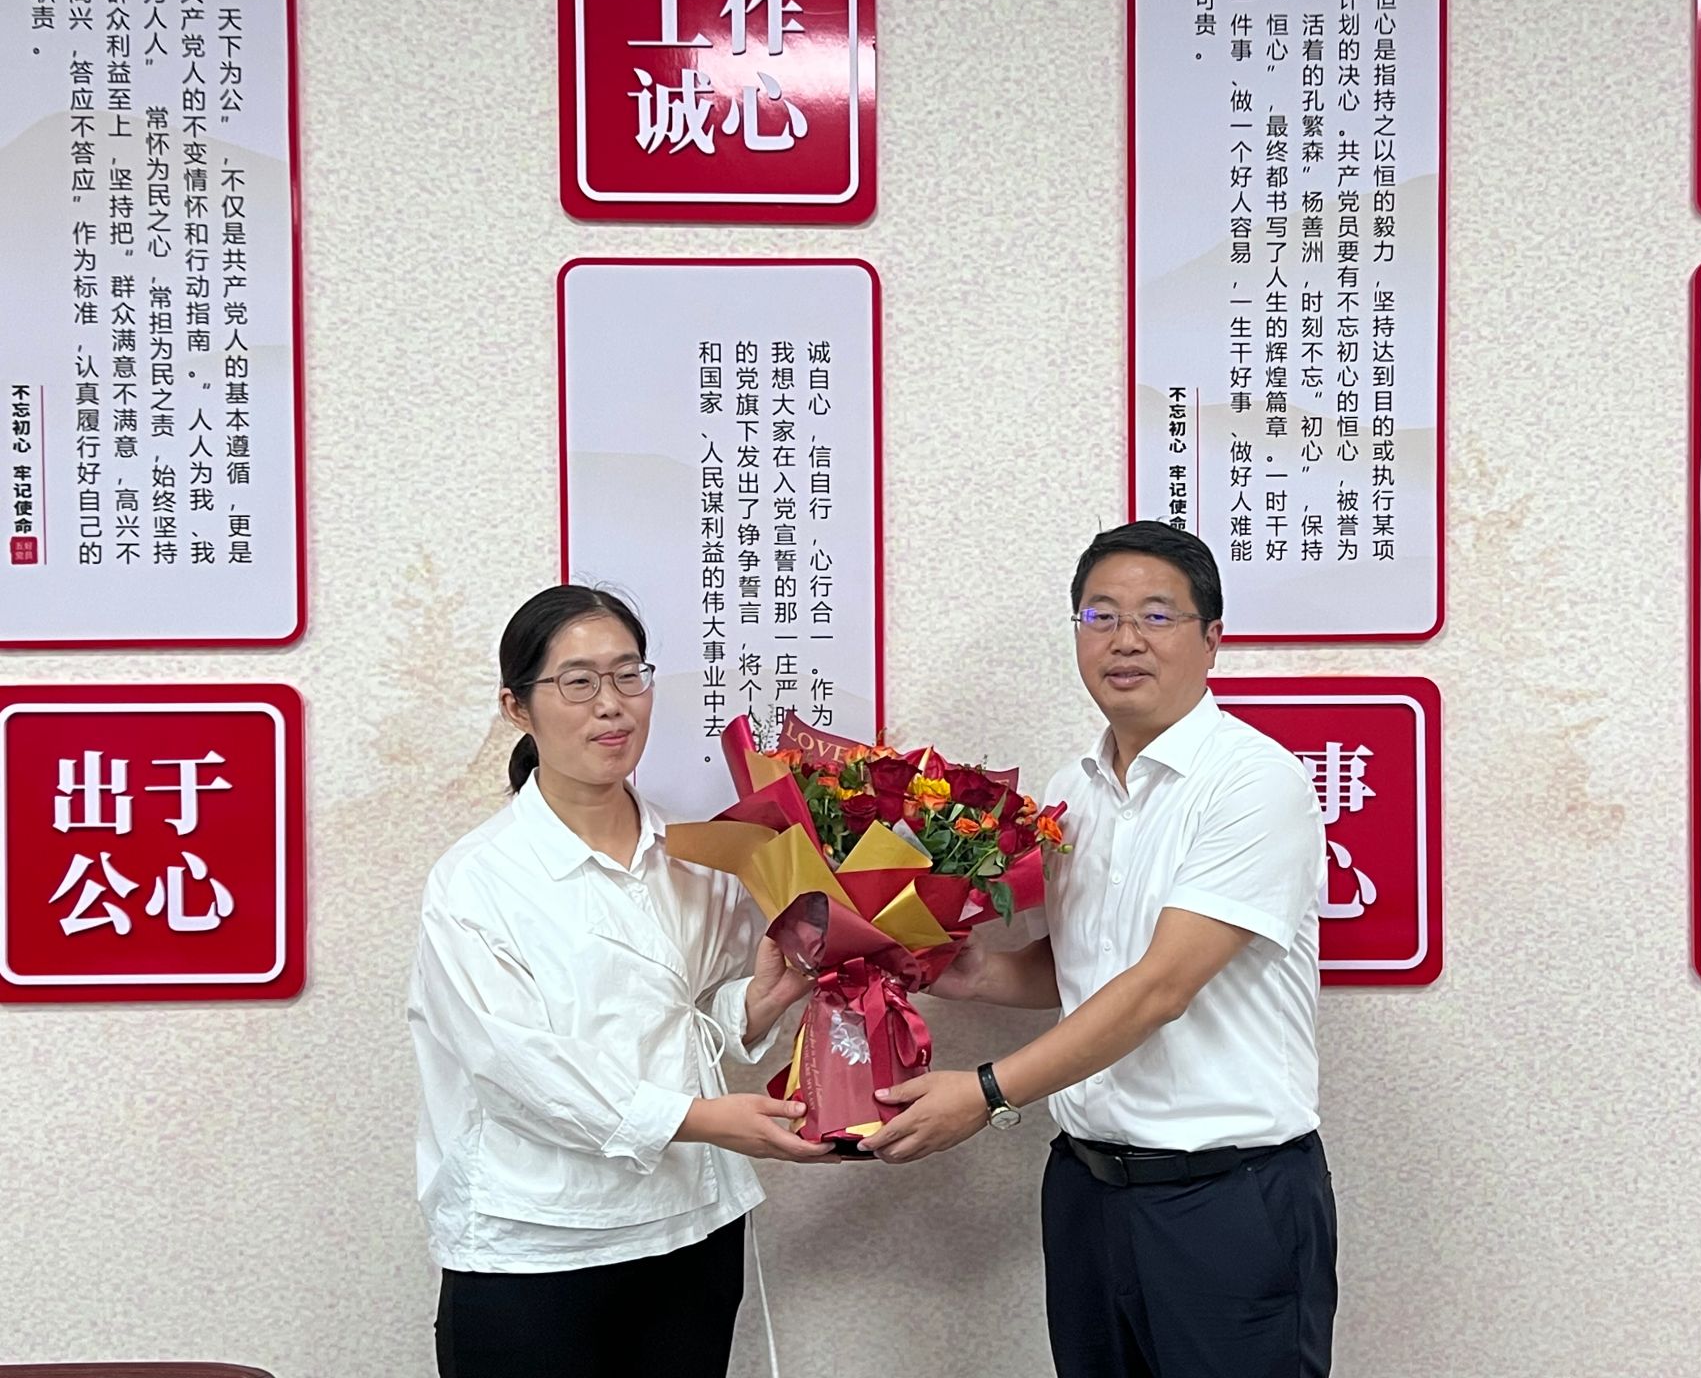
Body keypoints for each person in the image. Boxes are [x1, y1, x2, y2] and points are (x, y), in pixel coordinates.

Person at [863, 521, 1338, 1377]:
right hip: (1085, 1190)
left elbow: (1160, 986)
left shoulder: (1254, 782)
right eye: (1100, 615)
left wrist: (987, 1092)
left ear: (1212, 639)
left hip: (1225, 1200)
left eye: (1156, 615)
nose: (1124, 639)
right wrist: (975, 972)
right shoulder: (1071, 791)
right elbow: (1082, 962)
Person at [409, 584, 832, 1378]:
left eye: (628, 675)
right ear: (517, 707)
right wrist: (699, 1119)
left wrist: (757, 1002)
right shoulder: (476, 880)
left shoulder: (696, 854)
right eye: (578, 682)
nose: (612, 705)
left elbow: (685, 1020)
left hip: (690, 1227)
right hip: (536, 1242)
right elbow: (517, 1070)